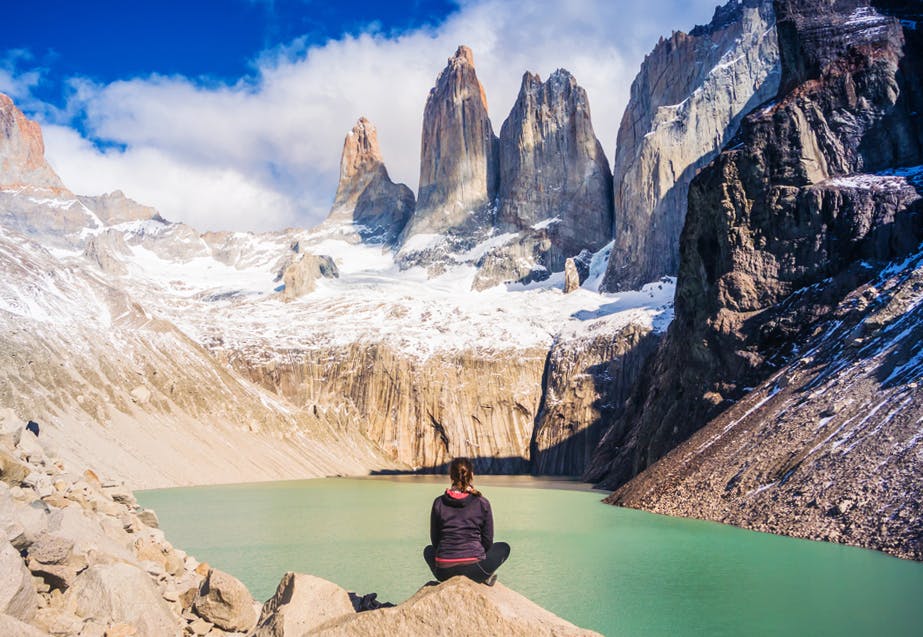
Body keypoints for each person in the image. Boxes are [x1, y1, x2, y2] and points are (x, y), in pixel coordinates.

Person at [423, 457, 510, 586]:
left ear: (451, 476)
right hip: (474, 570)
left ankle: (450, 573)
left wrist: (449, 555)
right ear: (472, 476)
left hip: (444, 572)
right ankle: (484, 577)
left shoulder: (439, 502)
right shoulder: (482, 503)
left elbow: (435, 540)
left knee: (428, 550)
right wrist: (475, 554)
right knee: (504, 547)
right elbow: (487, 541)